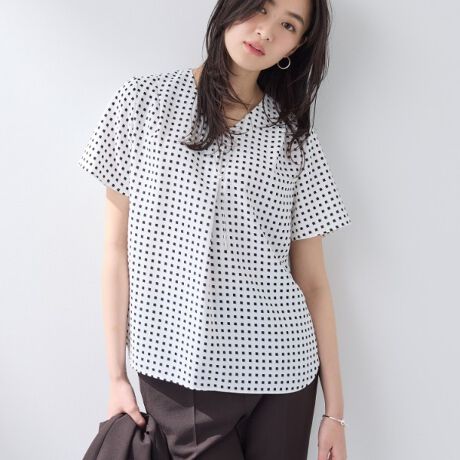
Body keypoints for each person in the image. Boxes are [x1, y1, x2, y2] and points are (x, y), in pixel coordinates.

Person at [78, 0, 351, 459]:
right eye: (260, 8)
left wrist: (335, 413)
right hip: (179, 370)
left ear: (296, 46)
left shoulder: (293, 137)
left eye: (287, 25)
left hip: (284, 371)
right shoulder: (145, 101)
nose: (265, 31)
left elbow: (313, 282)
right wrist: (116, 377)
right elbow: (115, 250)